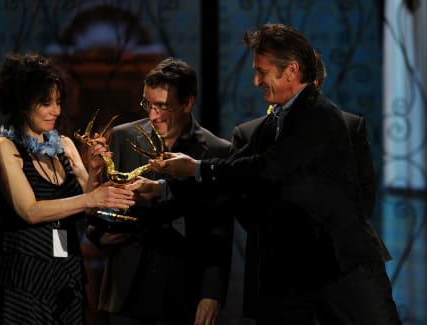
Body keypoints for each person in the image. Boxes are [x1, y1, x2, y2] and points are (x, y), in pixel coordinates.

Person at [129, 23, 402, 324]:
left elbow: (265, 168)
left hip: (342, 268)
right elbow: (234, 177)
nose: (256, 81)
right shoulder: (272, 125)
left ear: (291, 71)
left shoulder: (319, 114)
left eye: (262, 72)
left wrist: (195, 167)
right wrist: (165, 189)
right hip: (295, 274)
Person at [0, 52, 135, 325]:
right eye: (46, 103)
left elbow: (87, 195)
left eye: (58, 102)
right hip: (25, 278)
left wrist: (95, 169)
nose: (56, 111)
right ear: (23, 104)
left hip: (66, 272)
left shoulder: (65, 145)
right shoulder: (5, 147)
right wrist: (90, 198)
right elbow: (31, 211)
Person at [230, 50, 380, 320]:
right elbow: (242, 200)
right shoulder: (251, 133)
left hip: (337, 261)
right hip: (277, 266)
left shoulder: (348, 125)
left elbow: (363, 194)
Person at [86, 57, 234, 325]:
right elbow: (101, 206)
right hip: (128, 288)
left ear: (188, 103)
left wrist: (212, 294)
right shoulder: (123, 137)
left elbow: (220, 231)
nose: (152, 115)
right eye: (148, 104)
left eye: (162, 106)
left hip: (184, 289)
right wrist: (98, 235)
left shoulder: (217, 151)